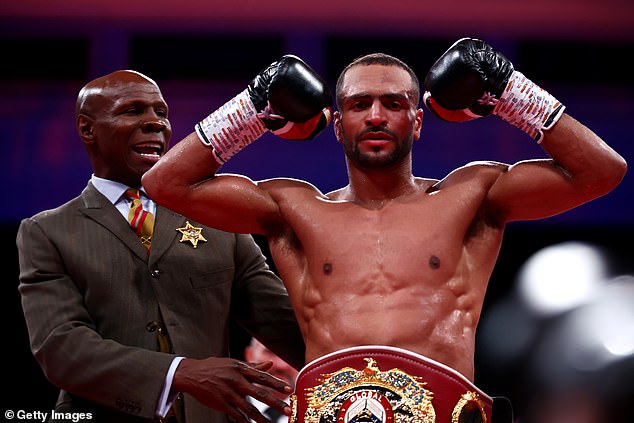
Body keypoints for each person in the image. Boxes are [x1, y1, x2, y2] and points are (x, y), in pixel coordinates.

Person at [142, 39, 627, 423]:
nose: (376, 115)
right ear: (336, 124)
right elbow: (164, 183)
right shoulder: (293, 208)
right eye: (360, 104)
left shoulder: (473, 196)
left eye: (393, 104)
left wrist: (509, 90)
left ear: (417, 122)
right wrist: (253, 109)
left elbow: (602, 172)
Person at [17, 69, 307, 423]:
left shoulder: (217, 219)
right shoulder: (47, 232)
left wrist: (371, 370)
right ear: (87, 129)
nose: (155, 123)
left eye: (161, 113)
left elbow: (289, 327)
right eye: (133, 111)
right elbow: (62, 348)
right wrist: (177, 373)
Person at [244, 338, 299, 423]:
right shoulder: (225, 408)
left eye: (290, 355)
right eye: (270, 352)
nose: (281, 365)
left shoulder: (317, 413)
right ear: (250, 355)